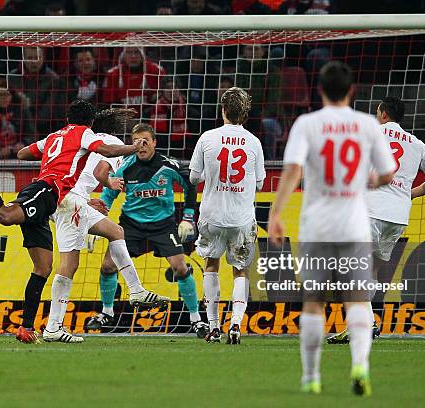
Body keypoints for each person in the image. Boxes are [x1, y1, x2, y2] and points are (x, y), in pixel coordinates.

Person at [0, 99, 167, 344]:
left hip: (61, 199)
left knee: (105, 236)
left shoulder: (58, 135)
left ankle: (134, 291)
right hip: (60, 196)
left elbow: (23, 153)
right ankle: (55, 326)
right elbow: (102, 167)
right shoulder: (93, 138)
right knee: (60, 257)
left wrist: (53, 155)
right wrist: (131, 153)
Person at [267, 61, 396, 395]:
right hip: (354, 224)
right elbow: (389, 174)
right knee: (356, 300)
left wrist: (276, 213)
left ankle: (311, 377)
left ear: (319, 90)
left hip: (318, 226)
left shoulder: (307, 123)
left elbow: (293, 170)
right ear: (351, 91)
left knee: (313, 301)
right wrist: (370, 180)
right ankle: (360, 366)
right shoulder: (368, 124)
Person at [327, 96, 425, 344]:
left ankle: (366, 324)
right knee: (370, 273)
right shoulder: (416, 143)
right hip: (398, 218)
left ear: (382, 114)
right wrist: (409, 194)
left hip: (370, 210)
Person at [89, 123, 209, 338]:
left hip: (163, 225)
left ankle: (196, 319)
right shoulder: (125, 167)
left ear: (154, 142)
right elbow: (108, 195)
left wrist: (188, 218)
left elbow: (191, 184)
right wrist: (96, 221)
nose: (141, 145)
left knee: (180, 268)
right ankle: (106, 313)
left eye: (145, 141)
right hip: (131, 225)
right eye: (137, 142)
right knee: (107, 266)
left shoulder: (168, 165)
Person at [189, 87, 266, 345]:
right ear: (245, 114)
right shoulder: (254, 142)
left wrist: (211, 176)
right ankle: (235, 324)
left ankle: (212, 326)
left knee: (211, 265)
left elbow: (193, 177)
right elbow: (259, 184)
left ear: (222, 110)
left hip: (211, 216)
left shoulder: (207, 138)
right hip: (241, 219)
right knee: (241, 270)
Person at [101, 47, 165, 112]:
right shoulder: (112, 74)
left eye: (137, 52)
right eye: (128, 52)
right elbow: (109, 103)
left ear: (142, 54)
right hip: (123, 118)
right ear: (123, 55)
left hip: (151, 116)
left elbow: (164, 97)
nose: (133, 56)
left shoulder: (156, 70)